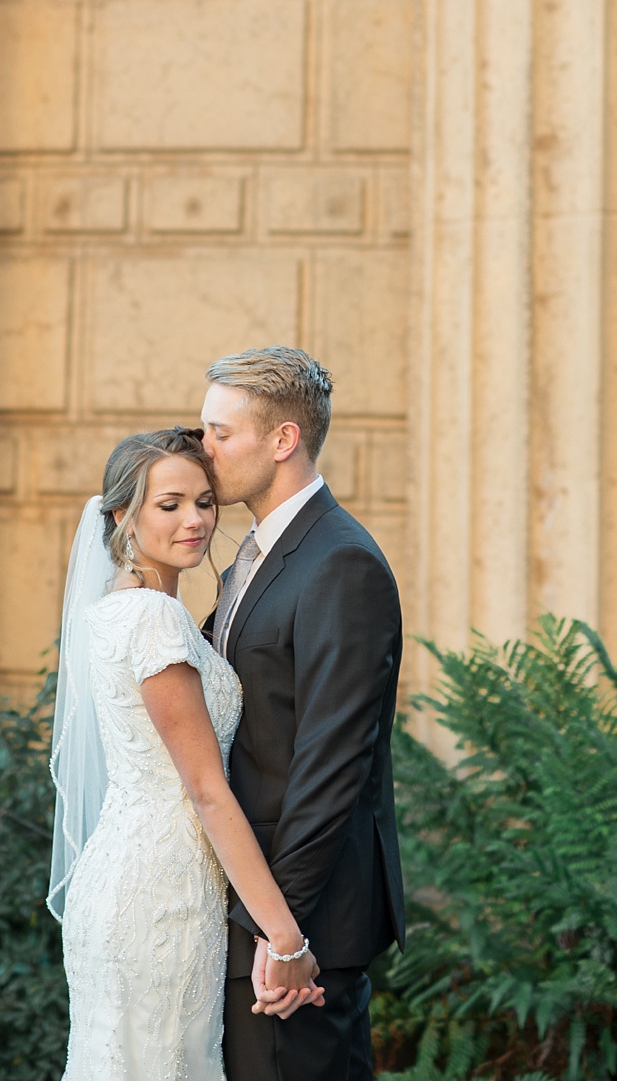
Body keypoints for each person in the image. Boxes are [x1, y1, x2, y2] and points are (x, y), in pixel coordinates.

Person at [48, 426, 327, 1079]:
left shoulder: (114, 611)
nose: (195, 520)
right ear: (123, 515)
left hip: (127, 878)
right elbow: (206, 790)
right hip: (159, 895)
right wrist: (286, 938)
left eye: (205, 501)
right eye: (169, 505)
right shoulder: (153, 619)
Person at [198, 346, 406, 1081]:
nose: (204, 450)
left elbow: (330, 764)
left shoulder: (340, 564)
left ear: (282, 440)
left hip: (298, 926)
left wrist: (276, 934)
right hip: (246, 910)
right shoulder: (252, 556)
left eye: (222, 432)